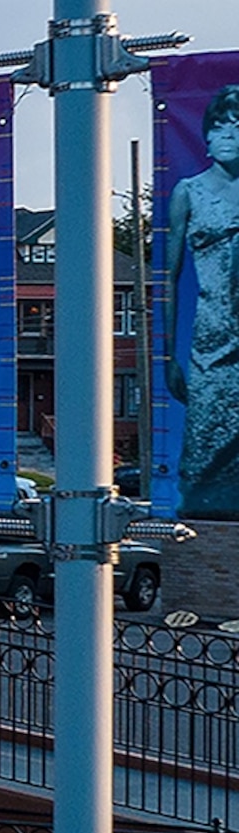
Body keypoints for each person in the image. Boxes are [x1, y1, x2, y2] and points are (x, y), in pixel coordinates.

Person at [169, 83, 239, 518]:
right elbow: (169, 278)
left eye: (238, 124)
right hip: (212, 343)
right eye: (219, 124)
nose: (228, 133)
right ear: (207, 135)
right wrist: (167, 357)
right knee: (205, 446)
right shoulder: (189, 192)